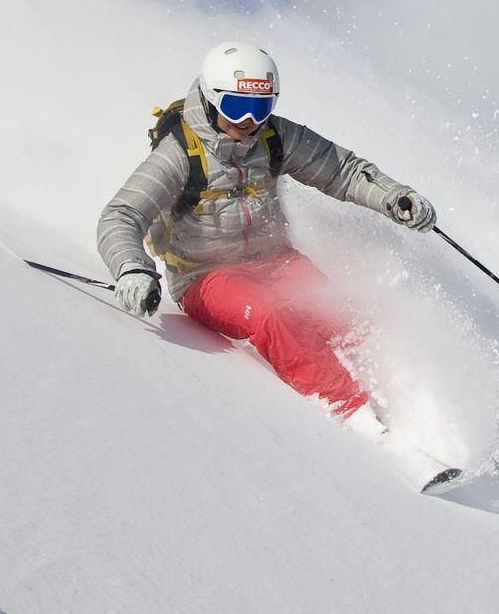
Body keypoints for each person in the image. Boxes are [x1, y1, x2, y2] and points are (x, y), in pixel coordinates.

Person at [97, 41, 436, 423]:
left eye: (259, 108)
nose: (248, 120)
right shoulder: (180, 154)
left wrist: (394, 198)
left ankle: (406, 402)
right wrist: (132, 269)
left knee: (339, 314)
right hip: (204, 276)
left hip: (276, 261)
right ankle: (354, 412)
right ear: (211, 99)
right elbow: (120, 216)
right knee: (271, 314)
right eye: (235, 107)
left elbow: (342, 171)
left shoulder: (274, 137)